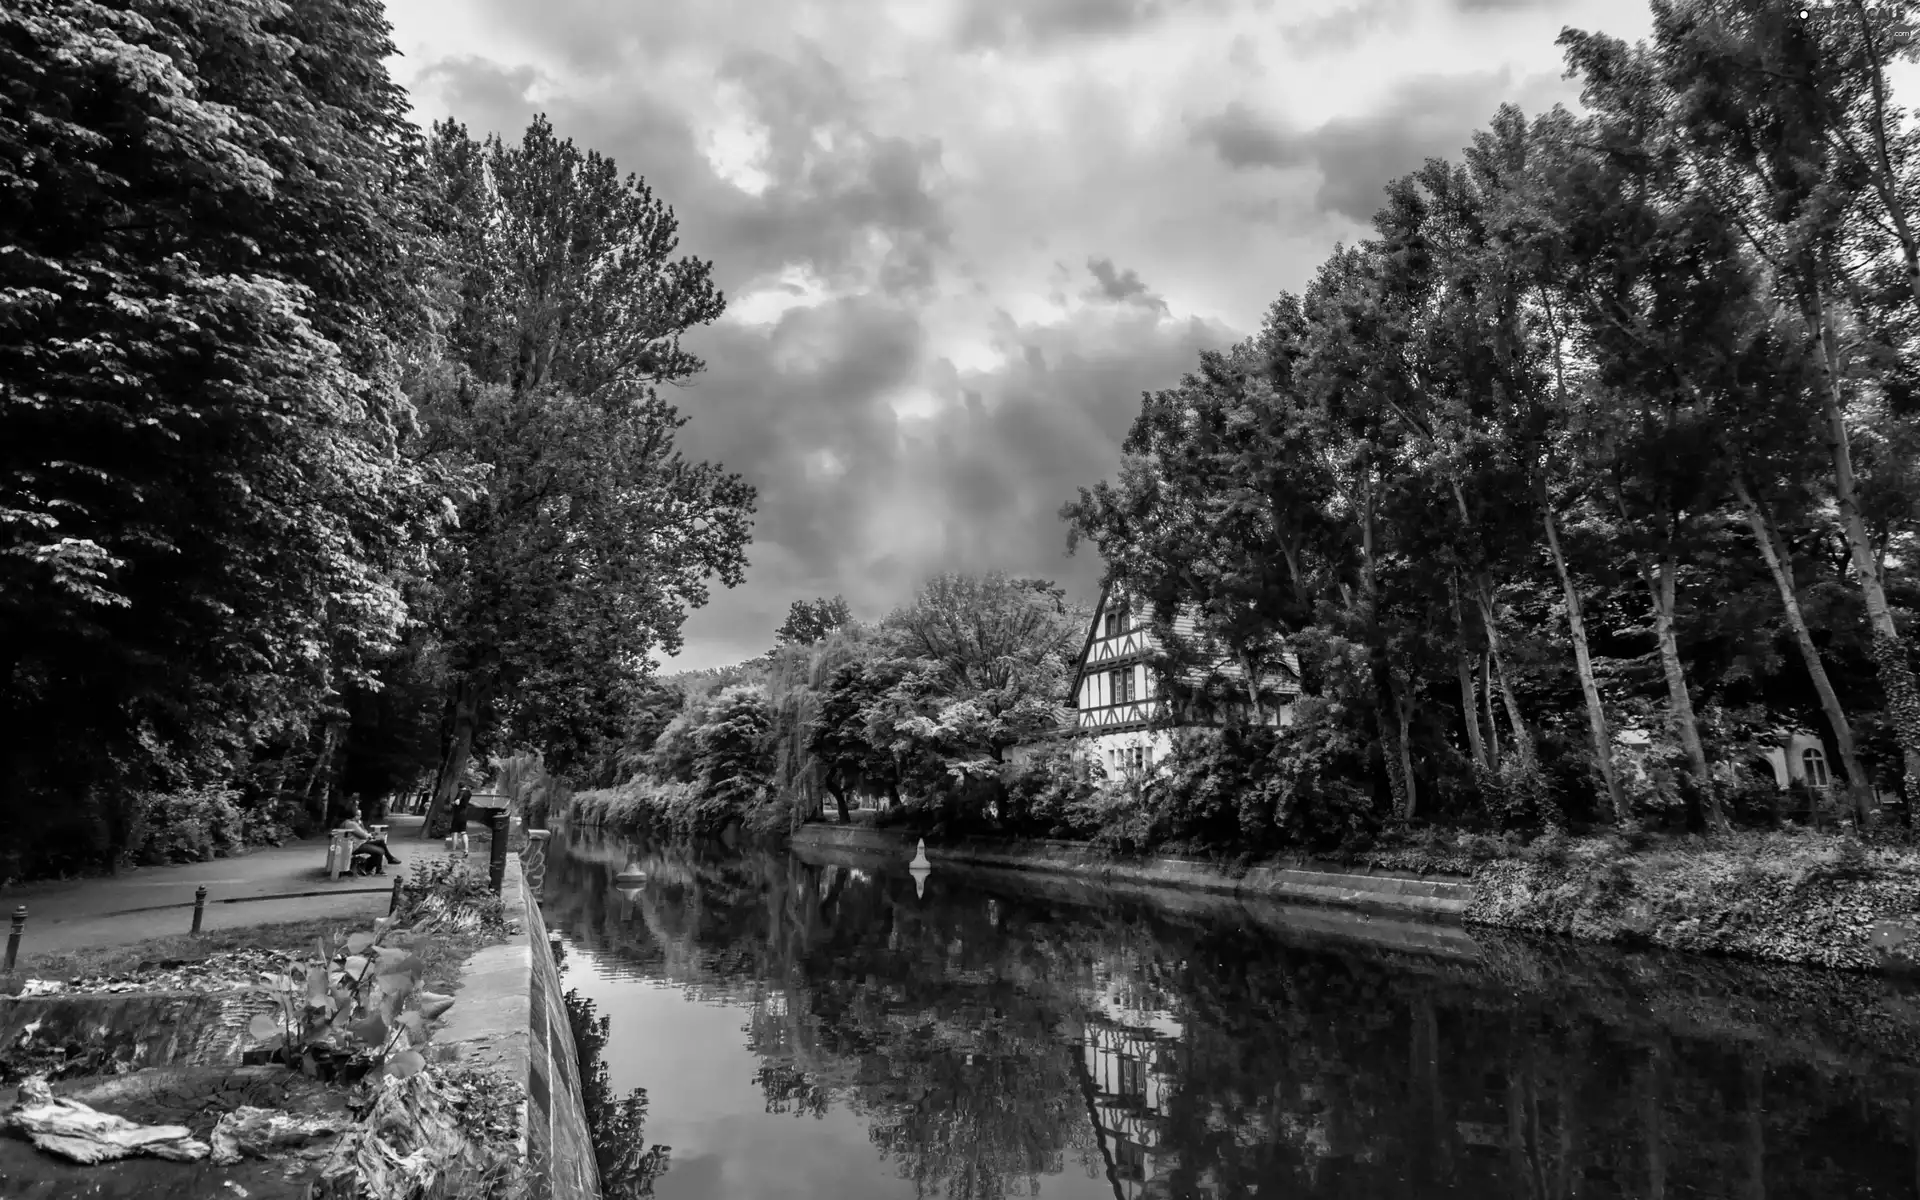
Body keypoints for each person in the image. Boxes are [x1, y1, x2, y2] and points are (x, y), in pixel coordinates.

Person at [447, 786, 472, 857]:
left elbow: (457, 802)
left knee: (454, 832)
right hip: (464, 815)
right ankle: (466, 850)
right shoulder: (469, 793)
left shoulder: (460, 792)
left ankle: (454, 851)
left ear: (459, 787)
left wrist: (453, 803)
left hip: (458, 815)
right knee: (463, 832)